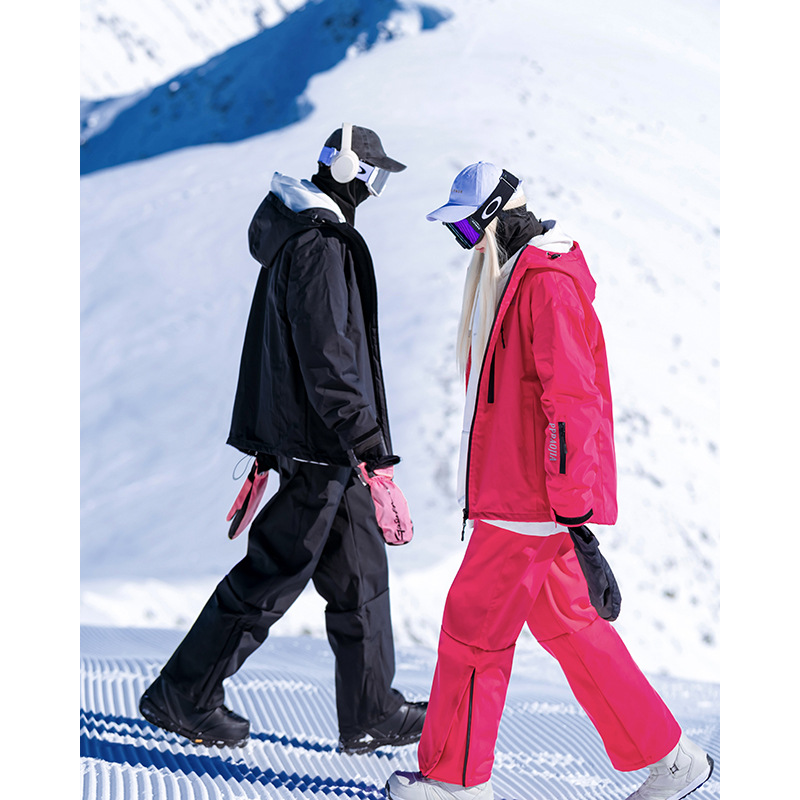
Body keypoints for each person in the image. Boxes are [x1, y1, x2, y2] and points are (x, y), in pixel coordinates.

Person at [385, 162, 714, 800]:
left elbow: (573, 402)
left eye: (464, 230)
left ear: (493, 219)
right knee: (572, 627)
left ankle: (454, 781)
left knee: (473, 628)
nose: (462, 244)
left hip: (528, 504)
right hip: (529, 500)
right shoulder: (519, 279)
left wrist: (570, 508)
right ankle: (674, 760)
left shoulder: (546, 287)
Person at [139, 124, 426, 755]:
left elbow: (288, 351)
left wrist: (315, 449)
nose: (374, 191)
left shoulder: (303, 235)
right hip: (323, 445)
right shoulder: (318, 244)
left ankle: (371, 710)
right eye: (373, 177)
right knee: (273, 573)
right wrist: (370, 448)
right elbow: (328, 357)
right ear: (347, 171)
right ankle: (183, 693)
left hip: (326, 446)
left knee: (360, 576)